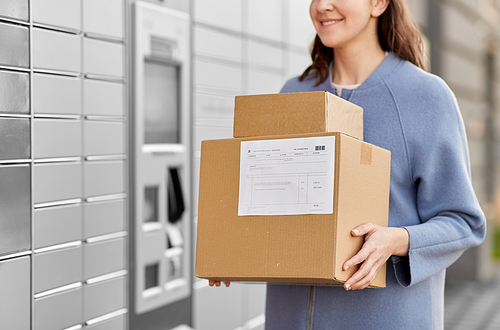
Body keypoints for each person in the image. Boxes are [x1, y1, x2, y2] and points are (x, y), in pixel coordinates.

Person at [211, 0, 486, 328]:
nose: (322, 6)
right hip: (290, 317)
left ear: (378, 3)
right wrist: (230, 249)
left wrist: (396, 240)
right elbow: (270, 205)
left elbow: (463, 222)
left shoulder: (426, 97)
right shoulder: (293, 93)